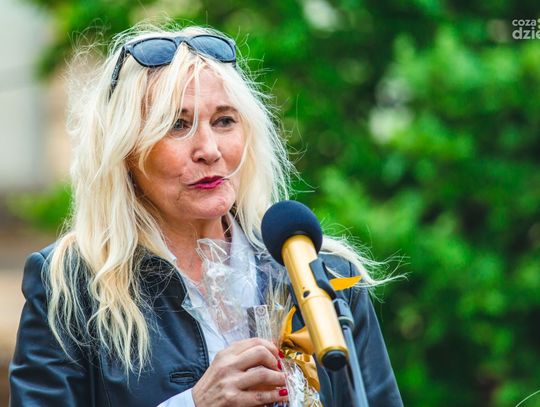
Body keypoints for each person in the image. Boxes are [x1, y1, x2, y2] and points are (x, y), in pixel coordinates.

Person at [9, 23, 403, 407]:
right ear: (125, 152)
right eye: (177, 125)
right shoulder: (70, 286)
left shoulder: (323, 277)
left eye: (224, 121)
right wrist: (196, 403)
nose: (209, 149)